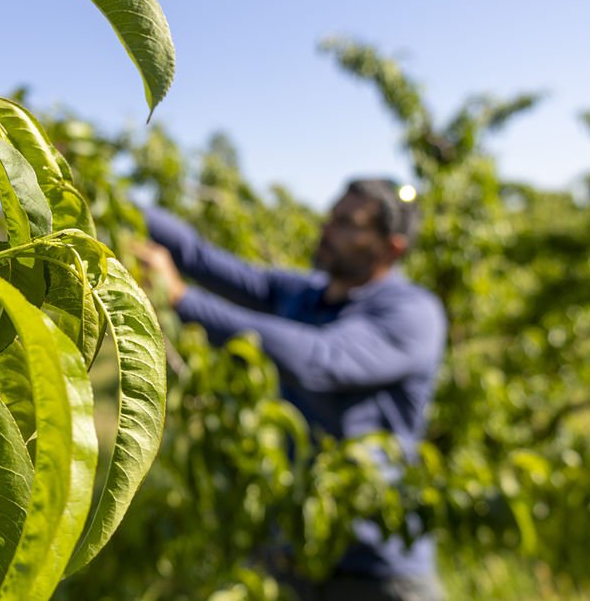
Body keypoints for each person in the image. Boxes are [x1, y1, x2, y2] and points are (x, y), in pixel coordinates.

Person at [134, 179, 446, 601]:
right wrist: (100, 190)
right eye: (332, 215)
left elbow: (320, 360)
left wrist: (182, 300)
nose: (326, 227)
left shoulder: (411, 312)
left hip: (377, 565)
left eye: (346, 223)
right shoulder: (304, 294)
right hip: (293, 544)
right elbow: (196, 255)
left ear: (390, 248)